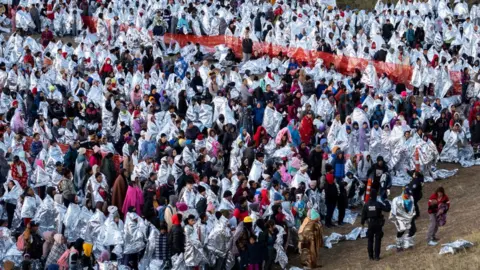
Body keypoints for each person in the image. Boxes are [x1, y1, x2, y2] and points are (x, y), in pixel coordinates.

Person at [361, 189, 391, 260]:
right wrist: (386, 201)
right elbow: (387, 209)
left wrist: (362, 223)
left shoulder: (366, 204)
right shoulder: (378, 204)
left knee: (370, 240)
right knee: (378, 240)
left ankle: (370, 257)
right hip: (378, 223)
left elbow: (363, 215)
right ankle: (377, 256)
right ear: (375, 196)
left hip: (370, 224)